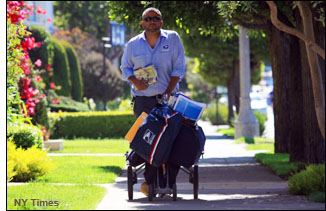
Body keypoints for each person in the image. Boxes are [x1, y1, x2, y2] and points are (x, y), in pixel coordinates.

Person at [120, 7, 186, 196]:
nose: (152, 21)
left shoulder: (172, 38)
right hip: (143, 101)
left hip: (167, 99)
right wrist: (135, 81)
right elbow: (125, 69)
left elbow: (178, 68)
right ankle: (150, 181)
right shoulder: (133, 44)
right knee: (147, 138)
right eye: (148, 19)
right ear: (143, 23)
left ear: (161, 22)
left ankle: (167, 180)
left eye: (156, 18)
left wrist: (168, 91)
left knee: (169, 139)